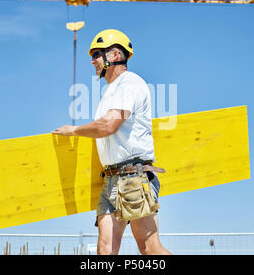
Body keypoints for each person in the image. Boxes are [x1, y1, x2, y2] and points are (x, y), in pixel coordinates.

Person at [52, 29, 171, 255]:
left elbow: (109, 125)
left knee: (150, 250)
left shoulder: (129, 83)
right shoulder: (110, 91)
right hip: (111, 179)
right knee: (105, 251)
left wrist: (74, 130)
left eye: (97, 54)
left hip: (133, 177)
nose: (92, 60)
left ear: (115, 55)